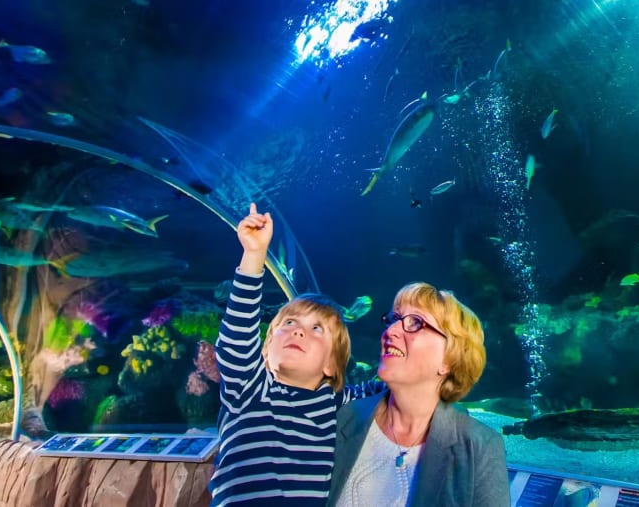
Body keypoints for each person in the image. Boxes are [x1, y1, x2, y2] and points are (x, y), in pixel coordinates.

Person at [209, 203, 383, 506]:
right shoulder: (250, 391)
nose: (298, 331)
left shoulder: (337, 401)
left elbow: (396, 384)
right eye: (289, 323)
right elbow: (237, 338)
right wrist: (253, 256)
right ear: (265, 348)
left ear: (332, 365)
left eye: (317, 329)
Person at [328, 281, 509, 506]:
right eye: (394, 319)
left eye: (415, 323)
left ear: (449, 359)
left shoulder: (480, 446)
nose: (390, 331)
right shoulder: (342, 416)